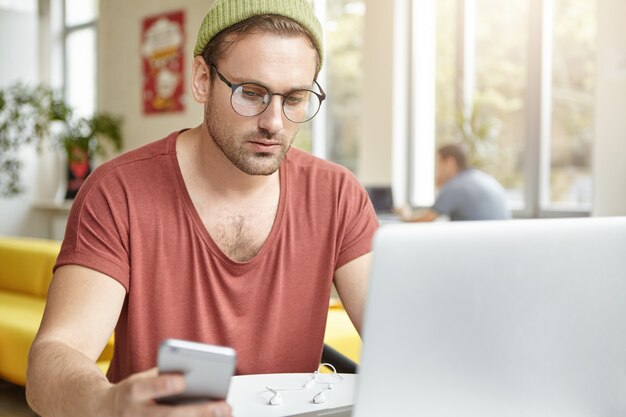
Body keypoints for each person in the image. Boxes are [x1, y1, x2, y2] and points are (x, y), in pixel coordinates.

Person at [25, 1, 378, 416]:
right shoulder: (117, 192)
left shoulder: (337, 195)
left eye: (295, 98)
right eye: (251, 93)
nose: (275, 123)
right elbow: (52, 358)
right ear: (201, 79)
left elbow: (398, 339)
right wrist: (106, 403)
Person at [401, 143, 510, 222]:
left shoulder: (455, 186)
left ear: (449, 162)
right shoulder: (483, 178)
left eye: (438, 163)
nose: (437, 170)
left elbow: (427, 218)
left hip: (477, 245)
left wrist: (405, 214)